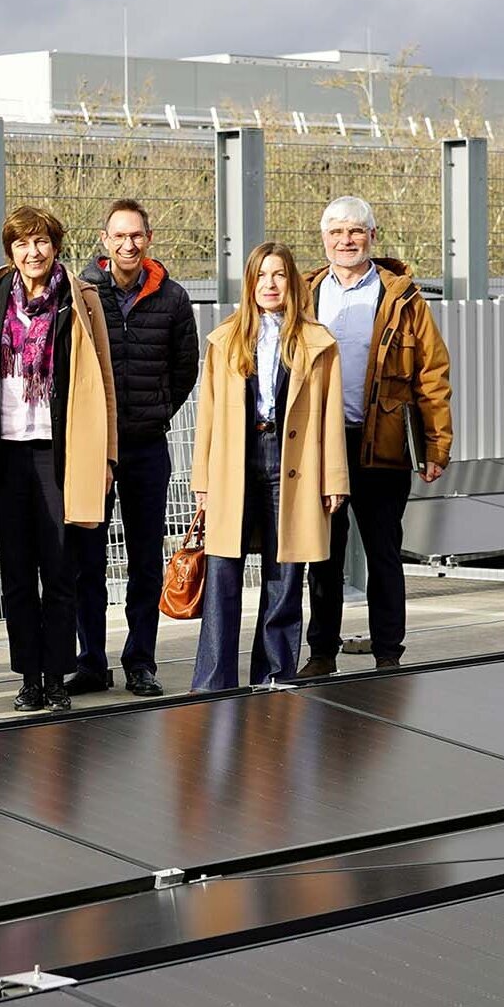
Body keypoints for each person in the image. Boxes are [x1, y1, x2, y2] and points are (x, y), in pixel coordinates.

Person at [0, 205, 117, 713]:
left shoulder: (79, 301)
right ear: (11, 251)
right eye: (22, 244)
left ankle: (58, 676)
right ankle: (29, 679)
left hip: (60, 453)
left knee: (61, 572)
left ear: (55, 247)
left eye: (41, 242)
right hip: (3, 454)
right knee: (16, 575)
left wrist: (107, 457)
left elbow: (103, 382)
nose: (33, 252)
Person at [299, 197, 453, 675]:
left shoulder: (401, 296)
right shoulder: (305, 292)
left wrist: (436, 444)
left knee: (384, 552)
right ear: (324, 239)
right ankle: (321, 653)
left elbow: (432, 373)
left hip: (382, 443)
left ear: (373, 236)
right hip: (322, 448)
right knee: (322, 555)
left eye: (356, 232)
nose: (347, 241)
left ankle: (389, 653)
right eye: (337, 233)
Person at [190, 241, 349, 691]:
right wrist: (202, 480)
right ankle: (213, 678)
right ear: (249, 284)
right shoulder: (225, 340)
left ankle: (275, 673)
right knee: (223, 570)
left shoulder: (317, 343)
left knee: (286, 570)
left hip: (291, 461)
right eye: (261, 276)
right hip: (234, 462)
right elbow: (208, 415)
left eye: (279, 274)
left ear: (292, 282)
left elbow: (331, 418)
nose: (270, 284)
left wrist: (334, 478)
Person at [70, 199, 199, 698]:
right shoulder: (82, 294)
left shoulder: (173, 298)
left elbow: (185, 370)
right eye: (118, 236)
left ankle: (140, 661)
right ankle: (91, 661)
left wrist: (158, 410)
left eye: (137, 236)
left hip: (146, 445)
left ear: (149, 239)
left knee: (146, 559)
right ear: (104, 240)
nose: (128, 245)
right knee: (88, 558)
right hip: (91, 449)